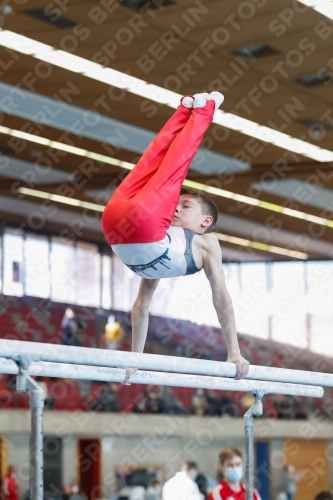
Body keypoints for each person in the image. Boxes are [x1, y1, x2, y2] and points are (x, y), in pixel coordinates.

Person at [101, 92, 249, 384]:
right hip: (133, 227)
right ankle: (192, 110)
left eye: (186, 206)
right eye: (176, 204)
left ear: (206, 222)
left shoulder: (207, 242)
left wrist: (234, 351)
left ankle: (196, 110)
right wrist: (136, 359)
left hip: (117, 226)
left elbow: (220, 295)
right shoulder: (165, 232)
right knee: (155, 164)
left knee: (165, 168)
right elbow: (141, 306)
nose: (176, 209)